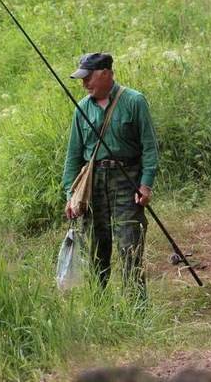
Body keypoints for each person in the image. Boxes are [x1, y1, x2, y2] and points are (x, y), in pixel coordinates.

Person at [62, 52, 159, 299]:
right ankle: (99, 305)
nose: (84, 84)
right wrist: (70, 195)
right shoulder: (81, 109)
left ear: (105, 73)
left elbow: (150, 148)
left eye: (88, 78)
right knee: (96, 247)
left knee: (130, 246)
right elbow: (73, 156)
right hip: (93, 185)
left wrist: (145, 185)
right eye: (81, 79)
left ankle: (136, 307)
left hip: (127, 181)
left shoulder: (135, 101)